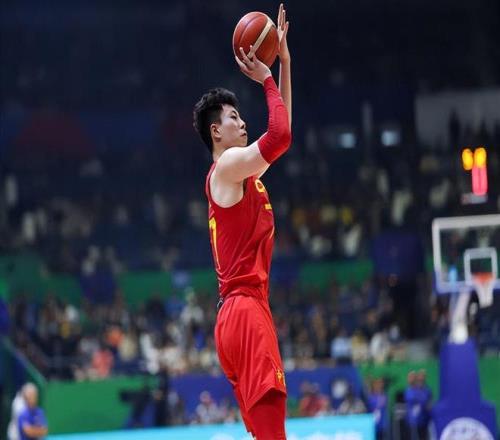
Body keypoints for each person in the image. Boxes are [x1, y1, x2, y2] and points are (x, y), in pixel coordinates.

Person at [192, 4, 291, 439]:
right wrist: (266, 78)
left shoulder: (239, 173)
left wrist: (284, 63)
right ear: (216, 132)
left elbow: (283, 133)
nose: (243, 120)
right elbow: (280, 135)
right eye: (233, 117)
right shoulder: (228, 166)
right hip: (246, 311)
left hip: (236, 315)